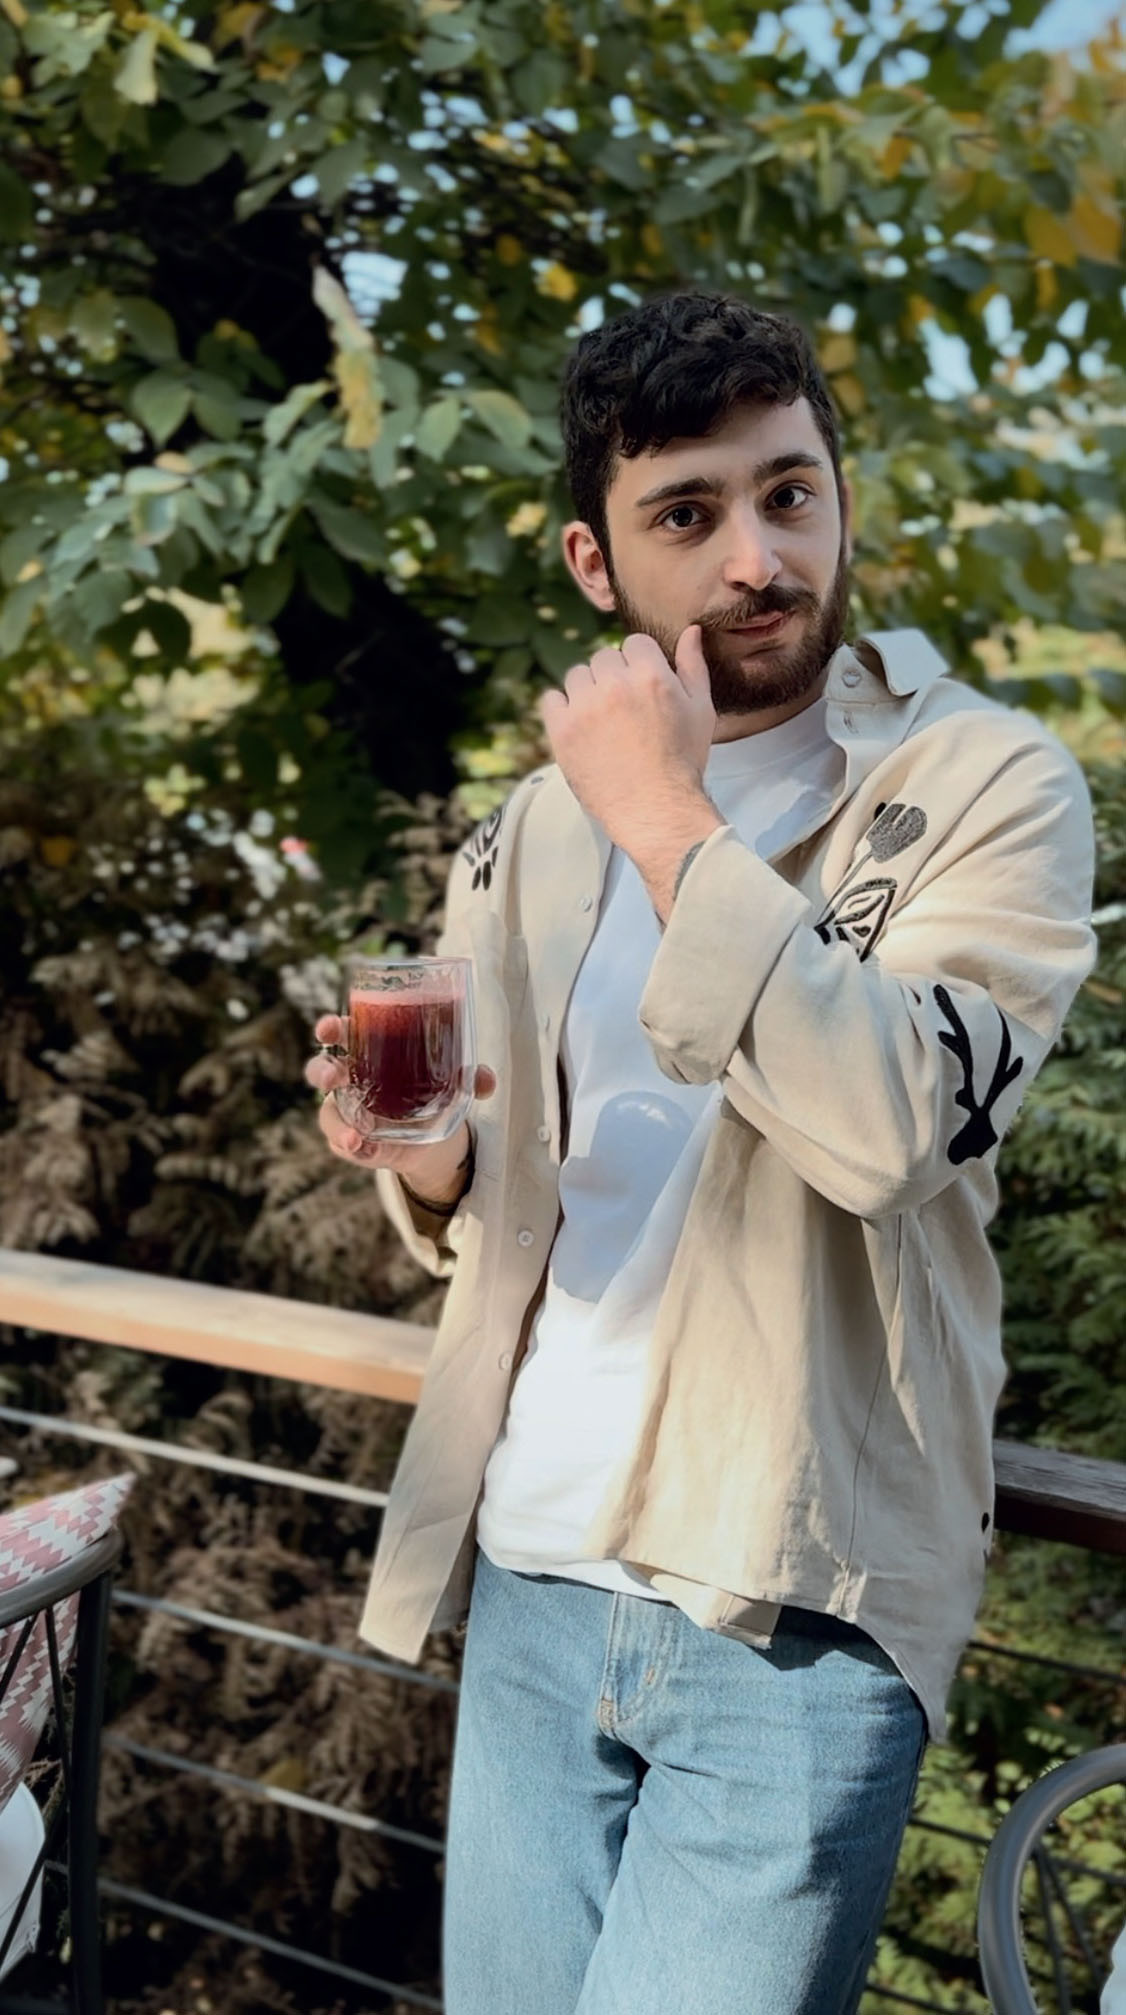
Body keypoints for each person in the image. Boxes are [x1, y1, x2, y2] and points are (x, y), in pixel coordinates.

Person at [306, 292, 1097, 2015]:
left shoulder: (988, 785)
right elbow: (517, 1188)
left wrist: (665, 819)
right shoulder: (531, 825)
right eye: (687, 514)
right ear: (595, 566)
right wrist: (423, 1160)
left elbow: (893, 1128)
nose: (757, 557)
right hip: (529, 1559)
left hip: (791, 1602)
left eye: (788, 492)